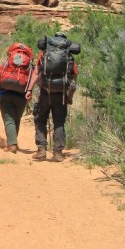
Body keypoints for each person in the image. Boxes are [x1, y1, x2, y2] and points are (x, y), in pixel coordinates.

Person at [30, 32, 80, 161]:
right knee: (59, 122)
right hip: (61, 94)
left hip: (45, 92)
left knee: (40, 119)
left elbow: (36, 73)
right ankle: (58, 153)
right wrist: (70, 96)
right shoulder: (68, 56)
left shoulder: (44, 53)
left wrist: (29, 89)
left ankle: (41, 149)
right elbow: (74, 80)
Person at [0, 43, 35, 153]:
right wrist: (29, 92)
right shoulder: (29, 66)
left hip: (4, 94)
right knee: (16, 120)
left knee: (9, 120)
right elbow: (32, 80)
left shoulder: (7, 63)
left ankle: (12, 145)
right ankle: (13, 142)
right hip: (21, 96)